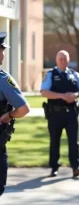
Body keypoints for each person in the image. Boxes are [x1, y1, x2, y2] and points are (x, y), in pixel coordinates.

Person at [40, 50, 79, 178]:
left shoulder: (74, 74)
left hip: (72, 113)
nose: (63, 61)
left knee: (74, 141)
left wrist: (75, 95)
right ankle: (54, 167)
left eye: (65, 59)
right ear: (56, 60)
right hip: (55, 114)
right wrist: (61, 96)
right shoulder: (50, 74)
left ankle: (76, 167)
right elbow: (44, 92)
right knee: (54, 141)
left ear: (68, 60)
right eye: (60, 59)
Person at [0, 32, 30, 196]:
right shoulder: (3, 80)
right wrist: (9, 115)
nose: (3, 54)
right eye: (2, 50)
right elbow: (23, 109)